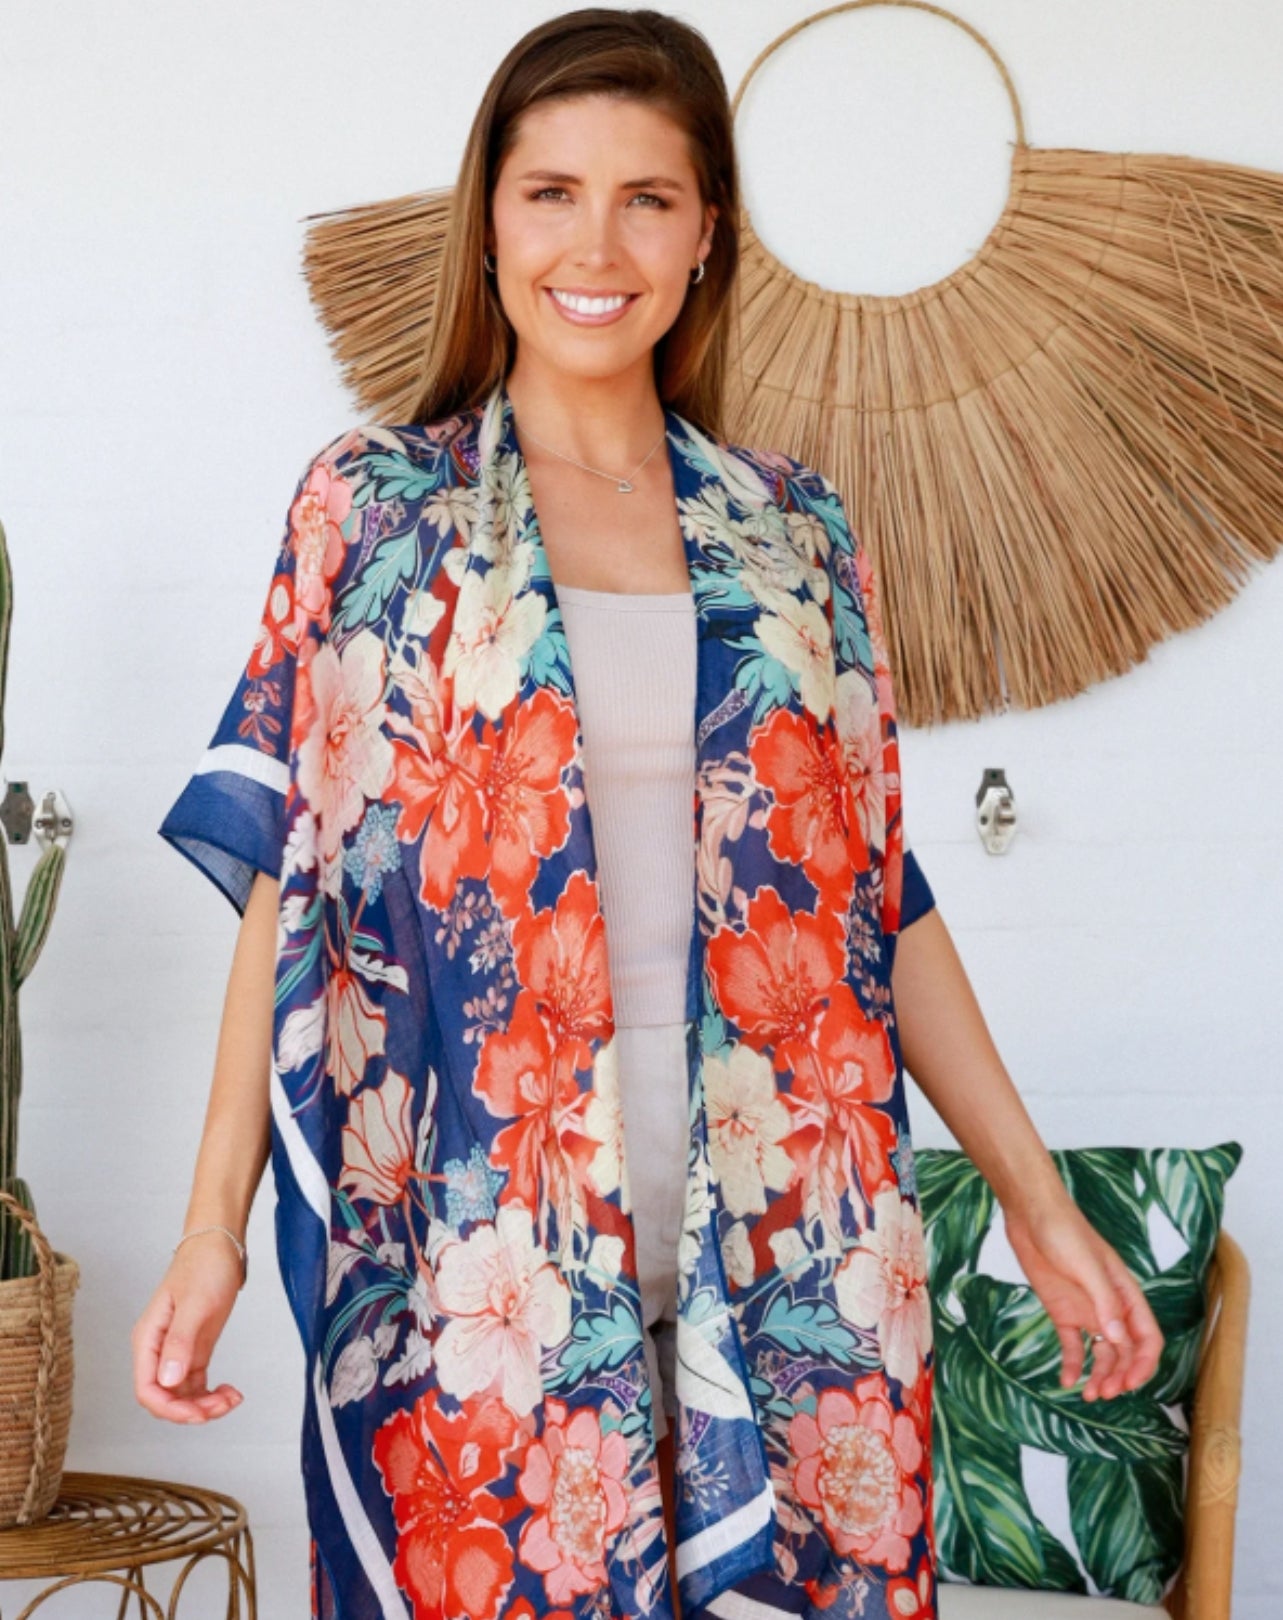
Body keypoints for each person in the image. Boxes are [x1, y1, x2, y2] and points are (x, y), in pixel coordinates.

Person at [133, 10, 1163, 1618]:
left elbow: (878, 897)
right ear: (488, 223)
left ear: (709, 237)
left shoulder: (796, 530)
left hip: (791, 1232)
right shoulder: (375, 510)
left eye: (647, 199)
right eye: (548, 192)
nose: (593, 245)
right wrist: (210, 1227)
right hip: (488, 1253)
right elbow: (293, 883)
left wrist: (1036, 1203)